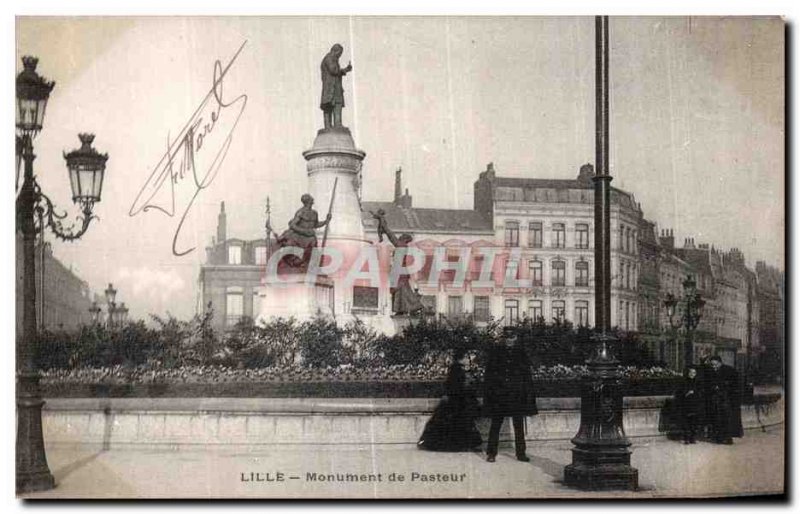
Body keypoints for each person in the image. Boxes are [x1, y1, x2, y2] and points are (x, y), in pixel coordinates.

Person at [483, 327, 538, 462]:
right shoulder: (496, 353)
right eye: (507, 338)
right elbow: (489, 375)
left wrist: (527, 394)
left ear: (516, 338)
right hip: (499, 395)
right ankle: (491, 453)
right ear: (503, 339)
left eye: (512, 338)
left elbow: (527, 376)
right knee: (496, 424)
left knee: (518, 425)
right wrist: (492, 392)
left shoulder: (521, 354)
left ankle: (521, 453)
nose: (509, 340)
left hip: (516, 395)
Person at [417, 350, 482, 452]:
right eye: (467, 358)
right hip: (457, 401)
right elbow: (457, 386)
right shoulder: (457, 369)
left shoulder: (456, 368)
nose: (468, 360)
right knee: (460, 423)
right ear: (462, 358)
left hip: (455, 400)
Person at [371, 210, 424, 315]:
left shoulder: (401, 245)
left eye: (401, 237)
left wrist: (381, 220)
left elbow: (390, 235)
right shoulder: (403, 246)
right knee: (402, 291)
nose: (399, 237)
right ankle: (403, 309)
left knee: (401, 291)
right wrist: (382, 220)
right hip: (400, 271)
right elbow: (389, 233)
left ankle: (408, 308)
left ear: (404, 239)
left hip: (400, 272)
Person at [267, 194, 331, 271]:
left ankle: (310, 266)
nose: (313, 200)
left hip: (310, 236)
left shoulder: (314, 213)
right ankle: (298, 263)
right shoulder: (300, 212)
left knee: (313, 247)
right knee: (293, 246)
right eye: (311, 199)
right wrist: (304, 231)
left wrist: (326, 221)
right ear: (308, 201)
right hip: (300, 236)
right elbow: (293, 225)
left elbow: (316, 224)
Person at [703, 355, 744, 444]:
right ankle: (719, 437)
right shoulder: (711, 371)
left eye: (715, 364)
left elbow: (736, 383)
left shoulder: (729, 370)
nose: (714, 367)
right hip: (716, 399)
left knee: (726, 419)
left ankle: (728, 438)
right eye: (712, 365)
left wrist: (722, 386)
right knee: (717, 418)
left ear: (720, 362)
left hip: (726, 399)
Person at [320, 43, 353, 130]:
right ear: (335, 51)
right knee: (328, 105)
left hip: (335, 86)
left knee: (337, 103)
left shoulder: (333, 59)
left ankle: (337, 124)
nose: (339, 56)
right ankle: (328, 126)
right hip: (330, 87)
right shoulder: (329, 58)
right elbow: (333, 70)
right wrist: (344, 70)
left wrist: (345, 69)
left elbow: (335, 71)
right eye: (339, 53)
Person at [674, 366, 703, 444]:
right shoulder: (683, 381)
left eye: (694, 373)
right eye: (690, 372)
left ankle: (692, 437)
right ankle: (686, 437)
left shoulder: (698, 382)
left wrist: (695, 393)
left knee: (694, 421)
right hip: (686, 404)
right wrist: (686, 393)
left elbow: (701, 392)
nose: (692, 374)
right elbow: (679, 392)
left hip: (695, 404)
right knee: (686, 421)